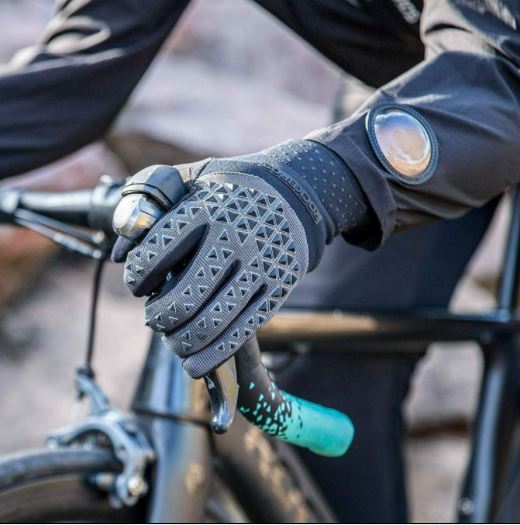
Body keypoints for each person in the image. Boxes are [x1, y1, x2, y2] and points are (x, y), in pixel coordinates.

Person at [1, 0, 518, 521]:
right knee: (322, 358)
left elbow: (503, 66)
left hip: (498, 70)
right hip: (410, 84)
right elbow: (88, 54)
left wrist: (317, 182)